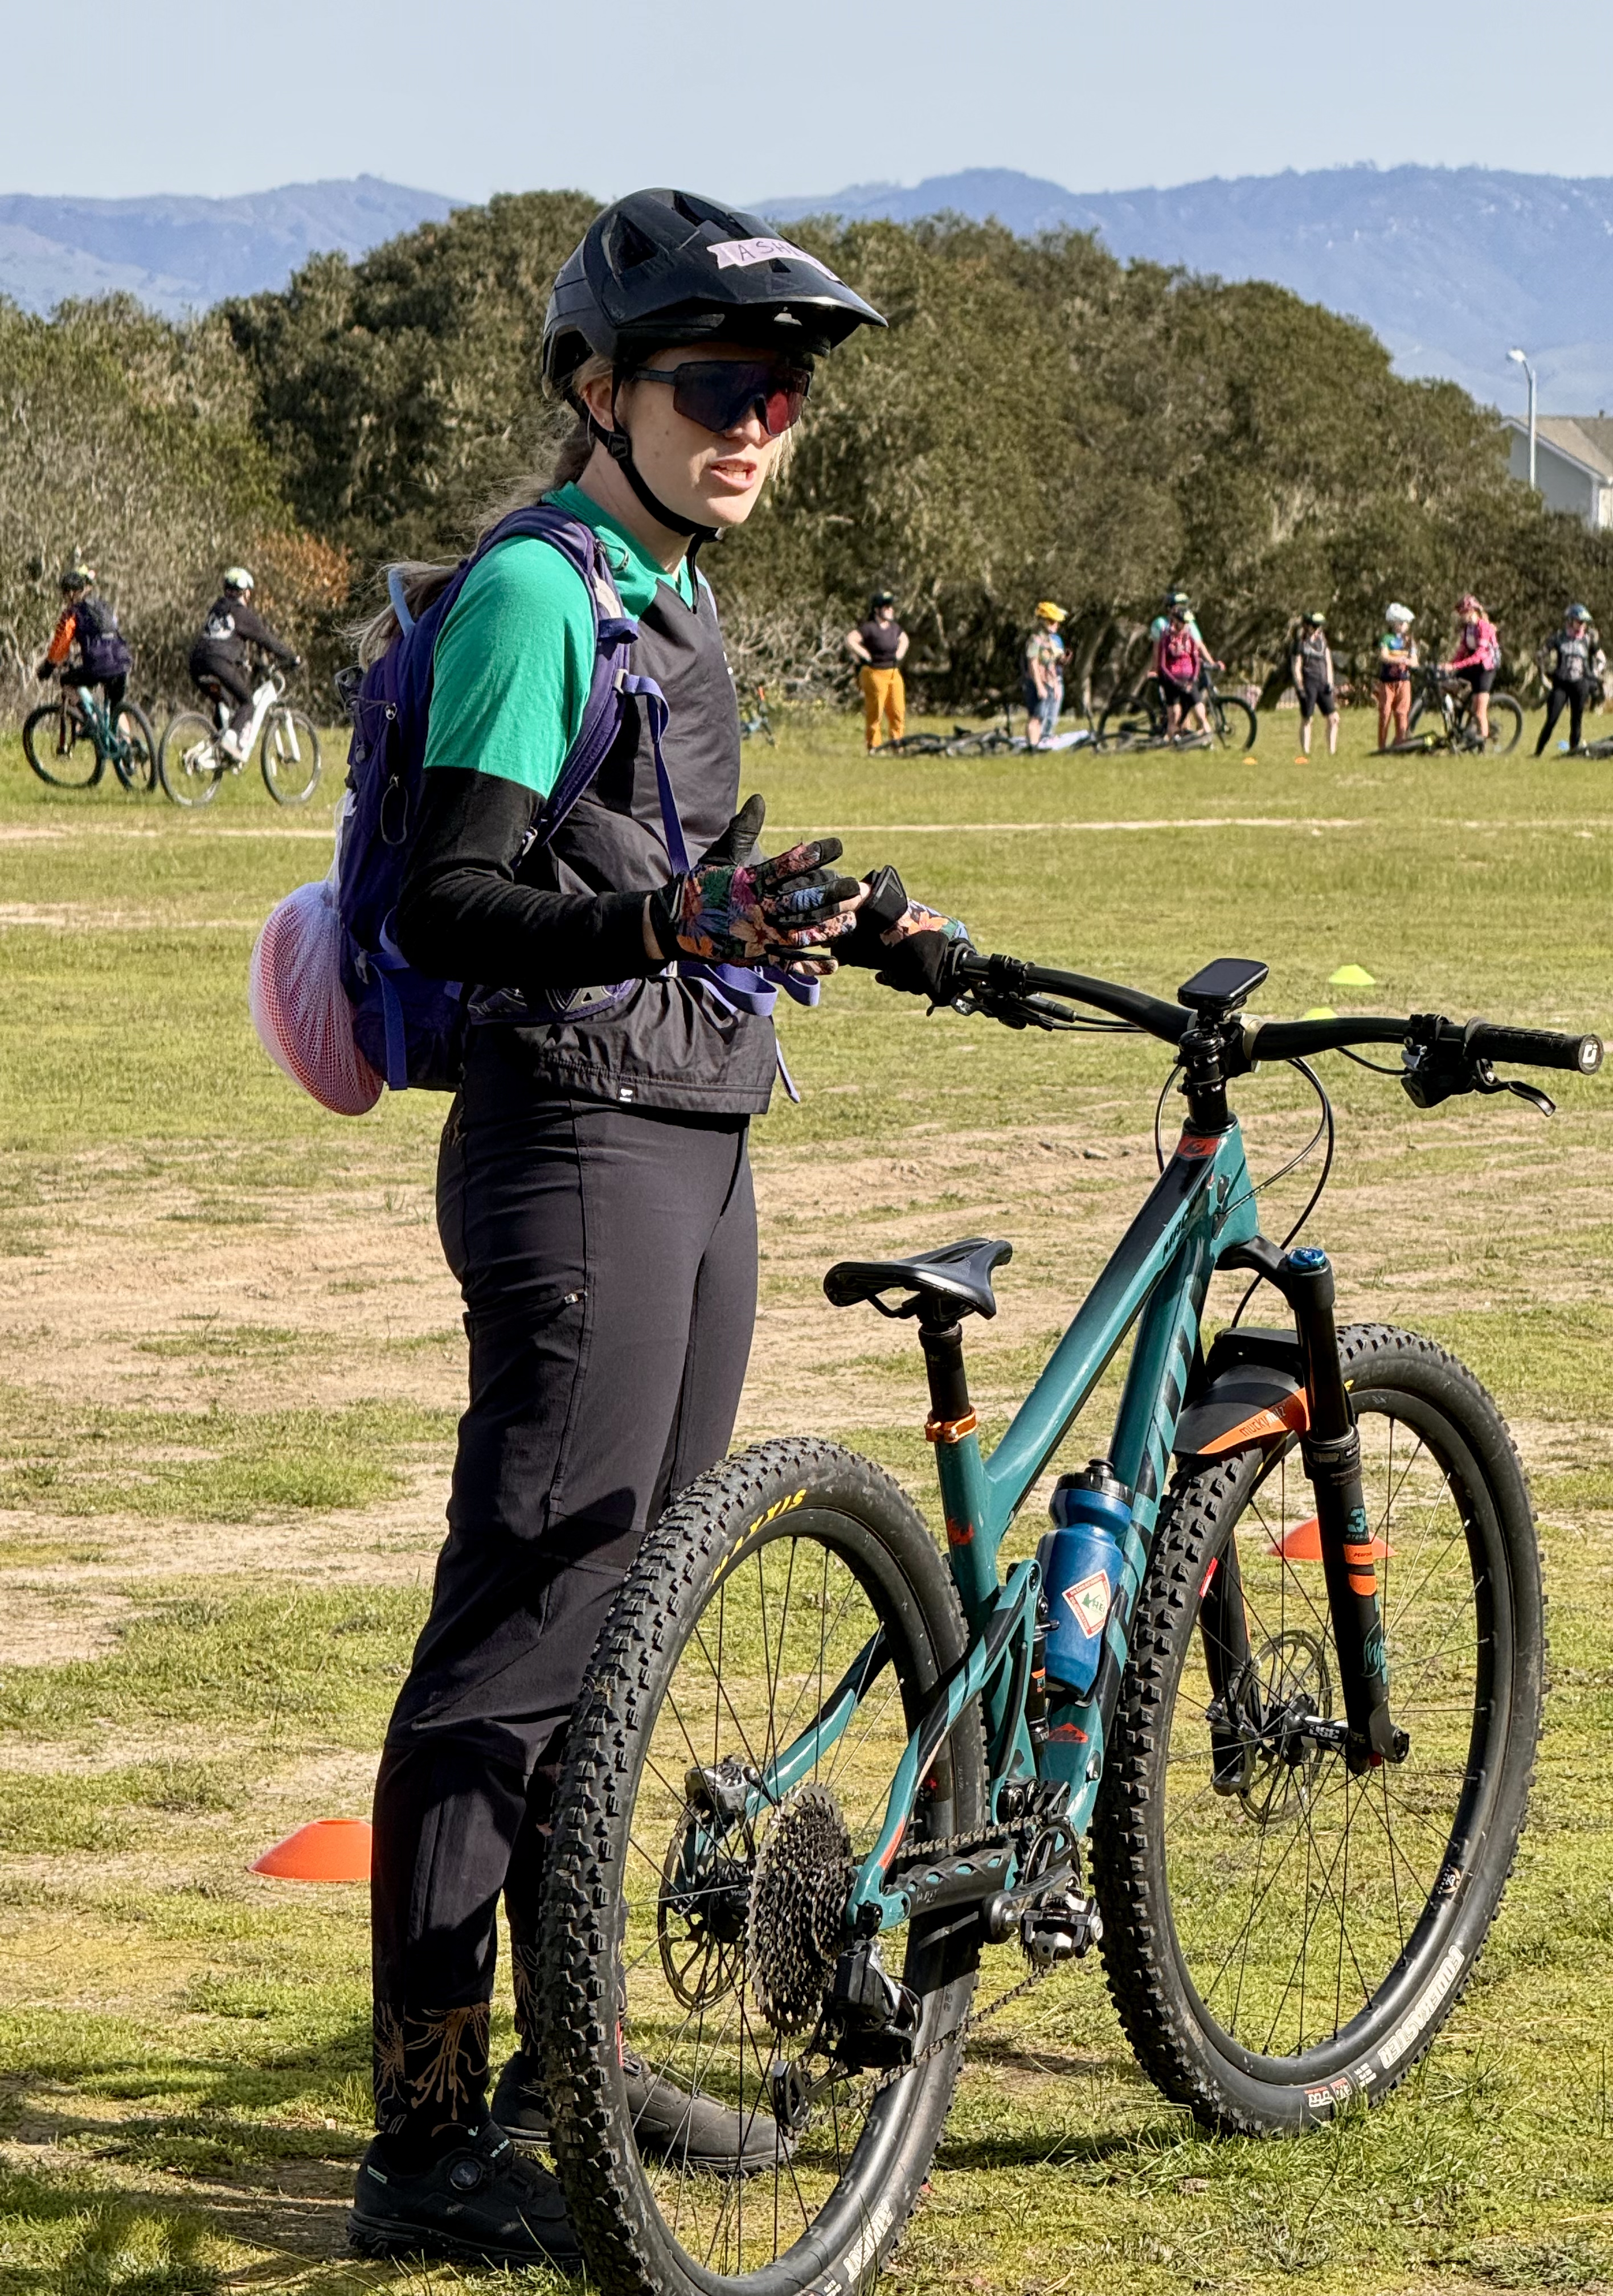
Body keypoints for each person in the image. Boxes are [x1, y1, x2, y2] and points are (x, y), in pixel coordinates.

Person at [349, 188, 970, 2274]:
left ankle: (564, 2068)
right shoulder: (546, 588)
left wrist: (835, 910)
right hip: (579, 1151)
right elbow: (456, 895)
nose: (753, 424)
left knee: (611, 1647)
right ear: (597, 389)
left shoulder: (668, 595)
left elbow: (683, 868)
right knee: (513, 1642)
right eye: (713, 384)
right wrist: (656, 920)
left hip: (694, 1141)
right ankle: (426, 2142)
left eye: (778, 394)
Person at [188, 568, 299, 760]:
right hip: (218, 662)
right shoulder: (241, 614)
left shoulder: (217, 609)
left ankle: (217, 747)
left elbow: (223, 639)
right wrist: (291, 657)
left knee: (225, 702)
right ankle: (230, 741)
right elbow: (267, 640)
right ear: (247, 592)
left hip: (197, 662)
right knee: (247, 701)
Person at [35, 563, 133, 722]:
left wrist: (48, 667)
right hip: (122, 660)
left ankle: (91, 721)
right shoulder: (104, 606)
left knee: (66, 681)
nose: (65, 599)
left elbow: (60, 646)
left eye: (65, 594)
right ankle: (126, 745)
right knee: (117, 708)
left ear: (72, 593)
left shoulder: (72, 613)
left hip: (98, 665)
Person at [1534, 603, 1607, 756]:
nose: (1581, 626)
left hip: (1580, 685)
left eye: (1584, 623)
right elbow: (1545, 650)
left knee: (1576, 721)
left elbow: (1602, 658)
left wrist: (1595, 673)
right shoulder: (1560, 637)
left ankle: (1573, 753)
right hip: (1561, 684)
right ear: (1571, 621)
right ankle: (1537, 752)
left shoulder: (1588, 640)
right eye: (1579, 622)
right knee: (1552, 719)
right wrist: (1542, 659)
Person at [844, 589, 908, 750]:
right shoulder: (869, 628)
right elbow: (850, 639)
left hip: (893, 673)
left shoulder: (894, 628)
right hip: (875, 673)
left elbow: (904, 639)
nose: (890, 610)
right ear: (877, 610)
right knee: (876, 712)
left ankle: (897, 744)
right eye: (886, 607)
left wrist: (900, 653)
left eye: (891, 607)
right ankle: (874, 746)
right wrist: (864, 654)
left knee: (898, 711)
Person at [1158, 605, 1221, 738]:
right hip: (1172, 681)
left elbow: (1195, 660)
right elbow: (1163, 665)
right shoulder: (1166, 640)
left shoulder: (1189, 639)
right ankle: (1171, 743)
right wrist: (1174, 682)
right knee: (1174, 716)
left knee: (1200, 712)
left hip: (1189, 679)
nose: (1186, 627)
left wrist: (1193, 679)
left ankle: (1208, 740)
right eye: (1183, 623)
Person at [1448, 592, 1501, 748]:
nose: (1461, 616)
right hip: (1473, 664)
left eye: (1463, 612)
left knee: (1480, 710)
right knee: (1451, 684)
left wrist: (1457, 666)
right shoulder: (1468, 629)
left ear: (1472, 611)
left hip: (1486, 667)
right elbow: (1462, 650)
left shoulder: (1484, 627)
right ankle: (1460, 712)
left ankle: (1482, 745)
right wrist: (1450, 665)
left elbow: (1479, 655)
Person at [1290, 610, 1340, 760]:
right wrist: (1300, 687)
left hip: (1323, 684)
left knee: (1334, 718)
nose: (1318, 629)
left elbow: (1328, 663)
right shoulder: (1300, 644)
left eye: (1319, 626)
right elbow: (1296, 666)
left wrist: (1330, 682)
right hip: (1308, 684)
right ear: (1307, 626)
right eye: (1314, 626)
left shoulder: (1323, 642)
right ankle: (1305, 751)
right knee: (1308, 719)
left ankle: (1332, 751)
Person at [1023, 600, 1067, 746]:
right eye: (1052, 621)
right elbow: (1033, 664)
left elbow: (1050, 664)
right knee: (1036, 718)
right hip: (1036, 683)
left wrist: (1055, 684)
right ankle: (1033, 748)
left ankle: (1039, 744)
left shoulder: (1048, 640)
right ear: (1044, 621)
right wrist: (1039, 686)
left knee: (1042, 717)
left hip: (1048, 682)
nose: (1056, 625)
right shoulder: (1035, 640)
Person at [1375, 602, 1418, 749]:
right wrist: (1400, 659)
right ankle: (1382, 746)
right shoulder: (1386, 638)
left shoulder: (1410, 641)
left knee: (1402, 713)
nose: (1405, 626)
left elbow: (1415, 661)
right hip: (1387, 681)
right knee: (1385, 713)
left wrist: (1409, 662)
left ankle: (1401, 745)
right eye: (1402, 623)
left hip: (1404, 681)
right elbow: (1384, 656)